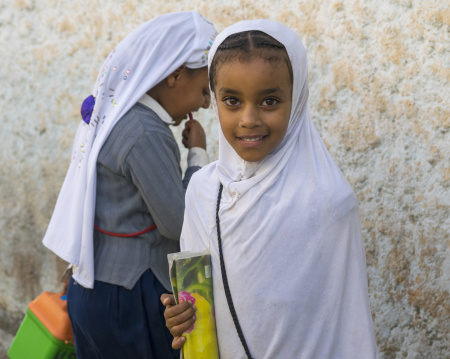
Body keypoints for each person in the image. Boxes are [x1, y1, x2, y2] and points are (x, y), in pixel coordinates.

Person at [161, 19, 379, 358]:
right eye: (231, 100)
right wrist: (181, 315)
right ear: (214, 99)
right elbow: (196, 299)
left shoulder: (327, 202)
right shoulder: (203, 191)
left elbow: (348, 328)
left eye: (270, 101)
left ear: (297, 100)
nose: (249, 119)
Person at [42, 11, 217, 358]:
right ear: (175, 75)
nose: (206, 103)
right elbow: (177, 223)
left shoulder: (118, 114)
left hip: (95, 289)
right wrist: (197, 156)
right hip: (128, 300)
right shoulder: (144, 132)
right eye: (203, 89)